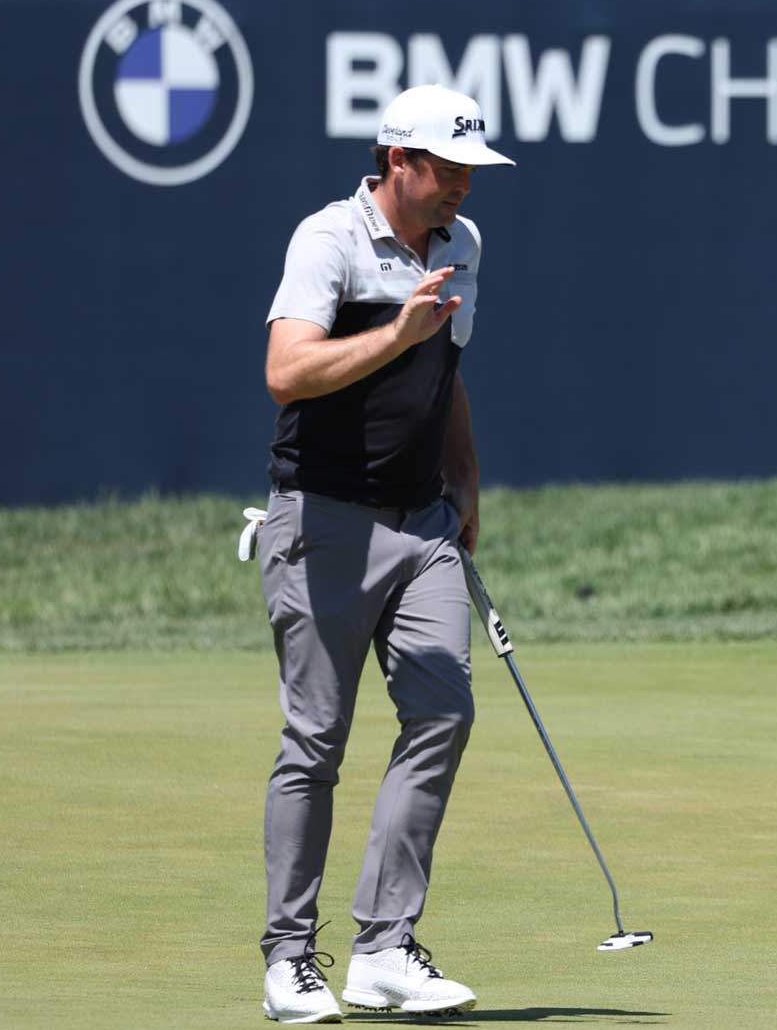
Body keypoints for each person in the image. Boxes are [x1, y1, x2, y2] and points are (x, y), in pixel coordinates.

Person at [254, 84, 514, 1024]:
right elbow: (287, 371)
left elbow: (447, 376)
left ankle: (383, 949)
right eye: (448, 171)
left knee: (444, 712)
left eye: (472, 175)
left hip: (422, 525)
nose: (462, 191)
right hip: (321, 519)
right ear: (398, 161)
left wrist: (468, 480)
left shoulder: (464, 246)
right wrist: (395, 329)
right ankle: (289, 958)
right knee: (316, 743)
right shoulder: (327, 238)